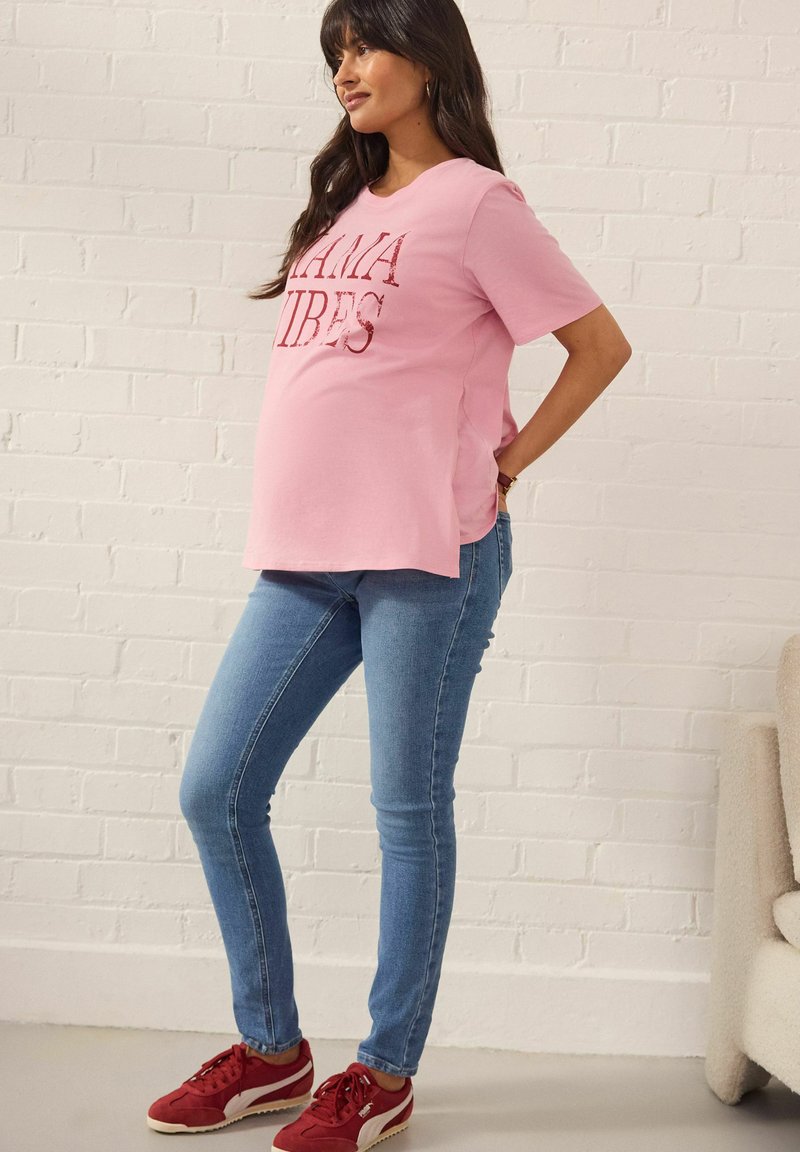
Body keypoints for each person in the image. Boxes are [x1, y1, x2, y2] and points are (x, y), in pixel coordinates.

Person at [146, 1, 631, 1149]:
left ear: (427, 56)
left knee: (405, 810)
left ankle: (383, 1070)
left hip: (428, 551)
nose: (344, 70)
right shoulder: (346, 206)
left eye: (362, 46)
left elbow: (598, 346)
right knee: (215, 788)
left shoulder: (477, 203)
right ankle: (272, 1050)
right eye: (334, 54)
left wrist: (506, 460)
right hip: (305, 557)